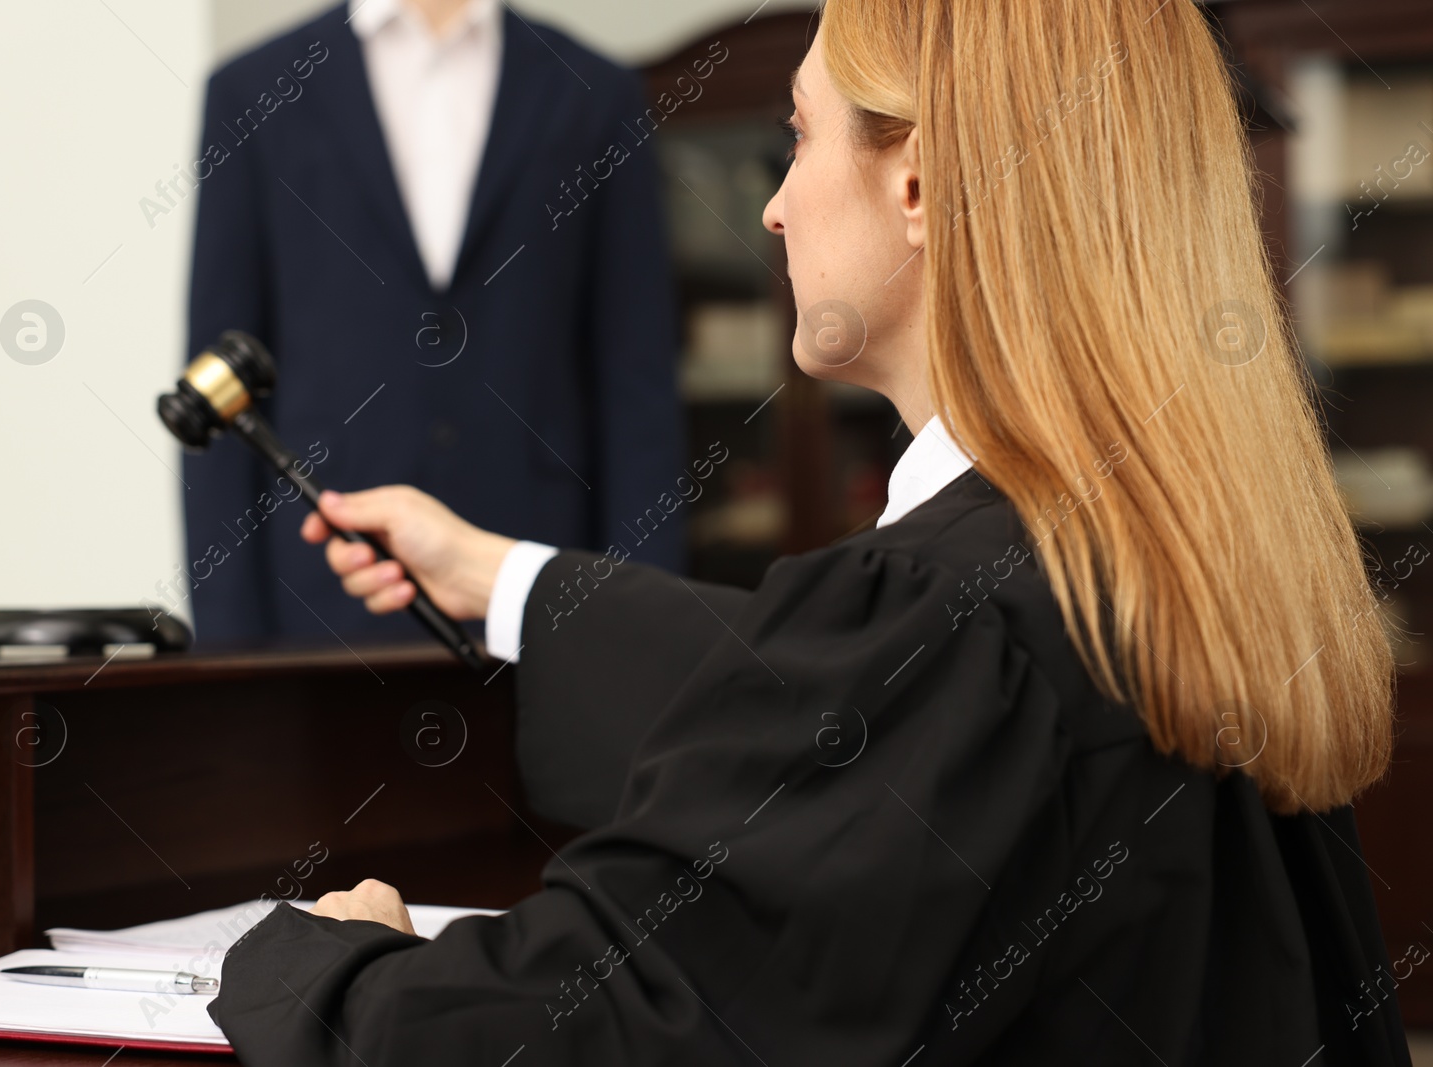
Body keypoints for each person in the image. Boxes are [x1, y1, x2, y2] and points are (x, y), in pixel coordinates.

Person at [206, 1, 1411, 1062]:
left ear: (921, 183)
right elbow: (856, 724)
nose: (774, 207)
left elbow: (590, 1022)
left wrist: (329, 966)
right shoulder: (1173, 563)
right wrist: (497, 572)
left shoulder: (936, 619)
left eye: (798, 132)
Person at [181, 0, 685, 646]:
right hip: (317, 607)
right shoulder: (251, 93)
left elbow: (637, 385)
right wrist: (228, 654)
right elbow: (221, 385)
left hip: (548, 601)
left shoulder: (595, 92)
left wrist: (645, 636)